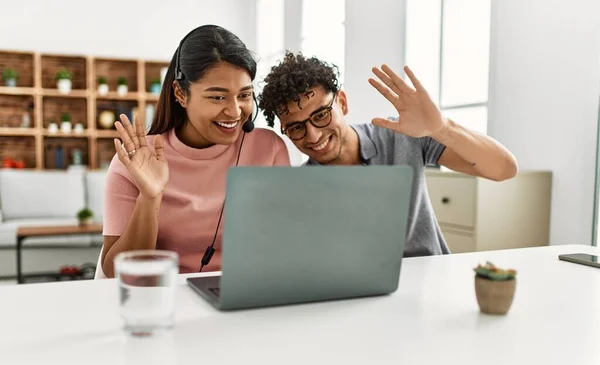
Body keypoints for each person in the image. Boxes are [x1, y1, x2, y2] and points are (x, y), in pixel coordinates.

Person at [258, 52, 518, 257]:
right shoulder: (300, 188)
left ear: (343, 103)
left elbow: (504, 169)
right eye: (296, 127)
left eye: (321, 115)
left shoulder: (402, 135)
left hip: (431, 285)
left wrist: (442, 128)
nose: (313, 136)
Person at [101, 25, 290, 277]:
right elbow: (115, 273)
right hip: (166, 301)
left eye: (244, 95)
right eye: (217, 97)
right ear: (181, 93)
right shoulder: (136, 158)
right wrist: (149, 198)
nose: (234, 112)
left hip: (250, 296)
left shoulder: (270, 149)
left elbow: (287, 246)